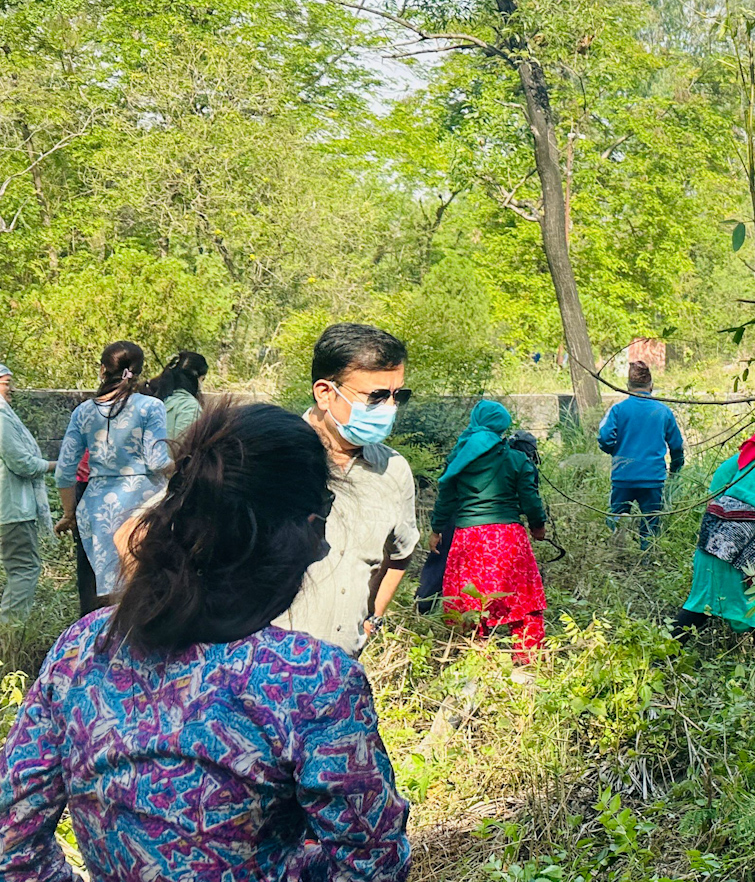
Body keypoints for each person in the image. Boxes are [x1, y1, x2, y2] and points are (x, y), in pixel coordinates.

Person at [0, 402, 411, 879]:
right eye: (325, 513)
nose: (322, 546)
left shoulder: (84, 646)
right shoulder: (312, 680)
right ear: (304, 529)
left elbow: (11, 843)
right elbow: (373, 865)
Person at [277, 323, 419, 659]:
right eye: (377, 396)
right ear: (325, 393)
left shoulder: (392, 471)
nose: (390, 408)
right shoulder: (269, 457)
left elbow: (400, 554)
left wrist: (372, 619)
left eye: (398, 396)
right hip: (259, 666)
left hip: (339, 666)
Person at [673, 408, 755, 648]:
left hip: (714, 526)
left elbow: (721, 475)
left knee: (701, 603)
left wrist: (729, 510)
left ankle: (662, 652)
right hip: (752, 533)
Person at [430, 400, 550, 659]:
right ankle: (528, 659)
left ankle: (475, 659)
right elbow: (530, 498)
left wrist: (436, 529)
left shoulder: (458, 458)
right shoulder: (516, 459)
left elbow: (445, 497)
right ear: (502, 426)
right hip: (508, 539)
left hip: (468, 539)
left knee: (469, 603)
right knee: (523, 599)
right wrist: (538, 526)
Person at [54, 342, 170, 606]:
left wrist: (69, 513)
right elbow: (157, 461)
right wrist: (183, 464)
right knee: (143, 586)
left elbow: (64, 471)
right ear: (138, 372)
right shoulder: (151, 407)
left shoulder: (83, 412)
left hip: (96, 509)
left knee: (104, 591)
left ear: (102, 370)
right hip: (143, 505)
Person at [597, 361, 684, 546]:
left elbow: (604, 437)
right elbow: (677, 446)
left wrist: (616, 452)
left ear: (628, 387)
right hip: (653, 478)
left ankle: (614, 552)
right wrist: (675, 469)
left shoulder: (618, 409)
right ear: (651, 386)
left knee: (616, 519)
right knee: (650, 526)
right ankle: (647, 555)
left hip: (623, 476)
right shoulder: (663, 411)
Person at [0, 364, 54, 624]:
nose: (11, 388)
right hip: (12, 507)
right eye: (6, 382)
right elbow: (22, 463)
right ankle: (10, 632)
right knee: (24, 569)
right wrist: (54, 465)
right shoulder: (1, 419)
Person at [144, 350, 209, 441]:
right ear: (196, 378)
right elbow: (185, 445)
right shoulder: (189, 406)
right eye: (202, 379)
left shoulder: (152, 398)